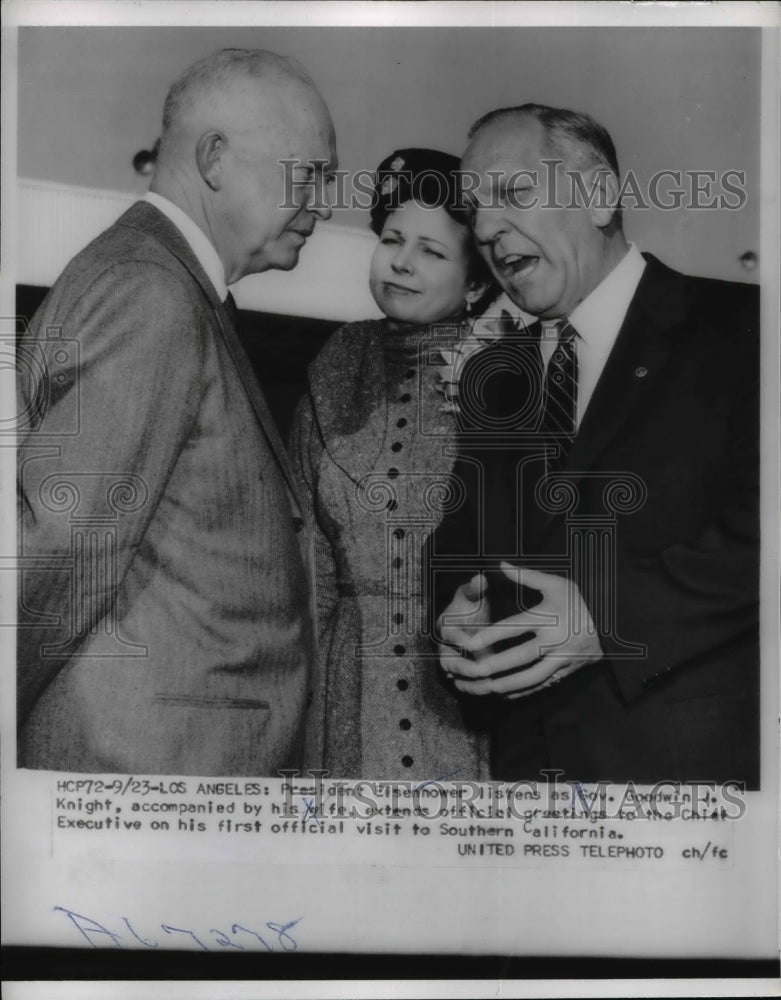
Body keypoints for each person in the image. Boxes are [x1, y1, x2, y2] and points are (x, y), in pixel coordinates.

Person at [16, 48, 337, 775]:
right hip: (141, 767)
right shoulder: (150, 292)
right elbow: (60, 549)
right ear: (215, 158)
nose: (324, 202)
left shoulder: (164, 282)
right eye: (309, 172)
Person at [431, 104, 759, 786]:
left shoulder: (747, 329)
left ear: (601, 195)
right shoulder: (499, 378)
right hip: (527, 778)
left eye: (513, 194)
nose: (487, 229)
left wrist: (607, 617)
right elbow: (464, 536)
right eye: (473, 211)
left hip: (691, 784)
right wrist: (454, 608)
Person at [289, 148, 499, 778]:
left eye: (432, 251)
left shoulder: (510, 374)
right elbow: (307, 557)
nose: (401, 262)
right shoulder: (334, 361)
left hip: (463, 687)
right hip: (343, 685)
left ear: (477, 282)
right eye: (391, 239)